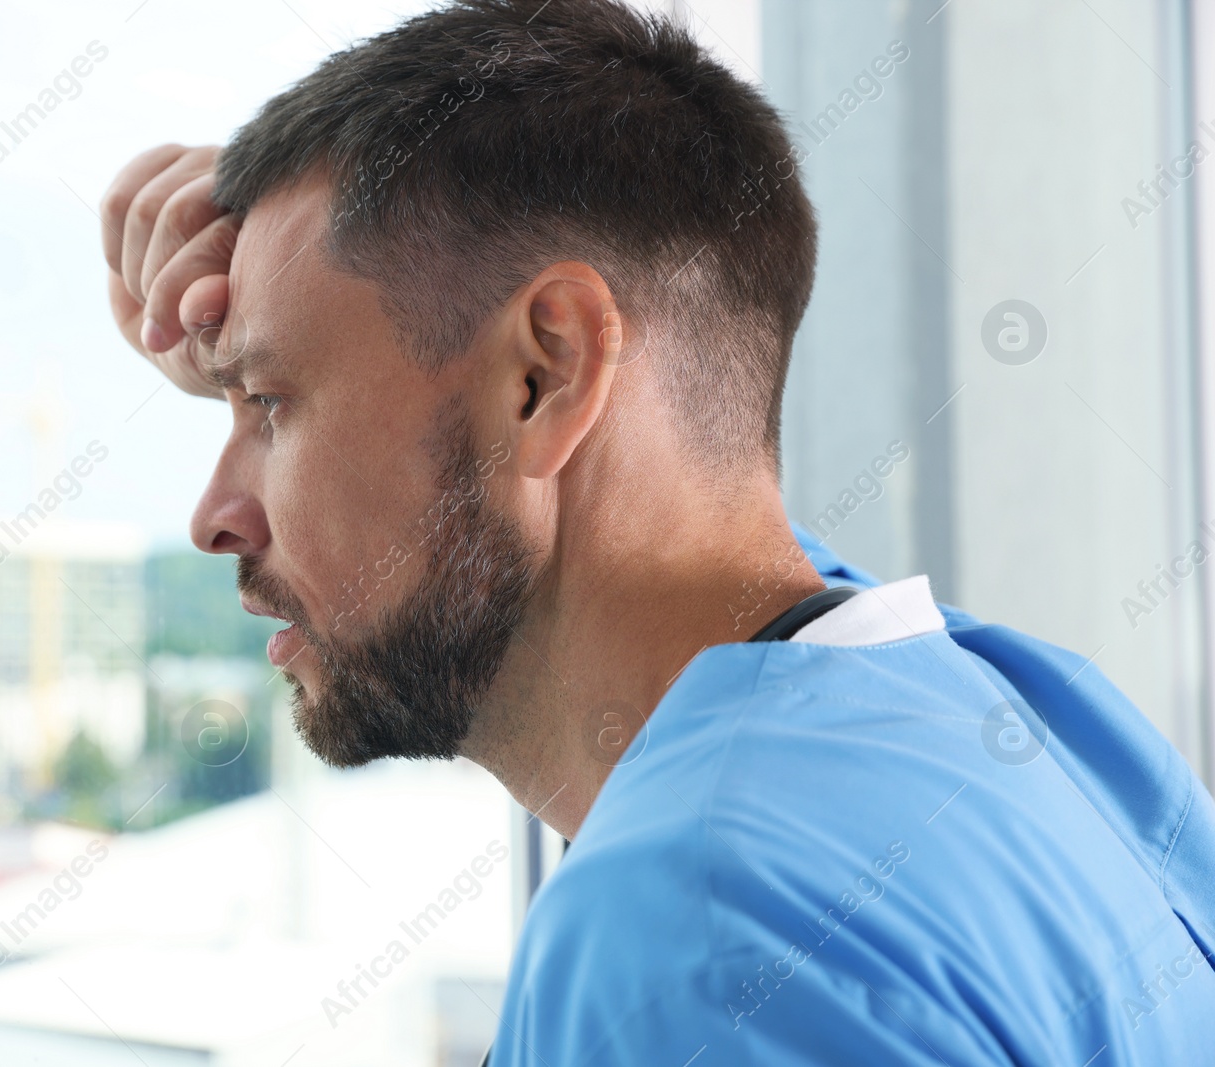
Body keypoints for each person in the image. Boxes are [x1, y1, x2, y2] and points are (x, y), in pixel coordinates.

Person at [98, 0, 1215, 1062]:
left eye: (271, 407)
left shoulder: (690, 935)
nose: (213, 517)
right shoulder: (1029, 722)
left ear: (546, 375)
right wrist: (289, 313)